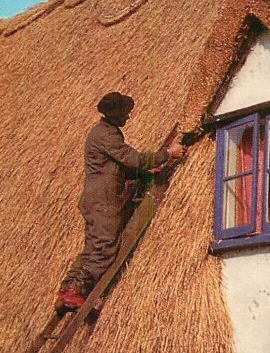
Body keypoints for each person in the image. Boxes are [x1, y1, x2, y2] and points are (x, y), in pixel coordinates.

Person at [55, 91, 186, 312]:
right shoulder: (106, 135)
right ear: (114, 114)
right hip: (103, 199)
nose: (128, 117)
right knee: (106, 246)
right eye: (125, 113)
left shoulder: (103, 133)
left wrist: (142, 172)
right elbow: (132, 159)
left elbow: (116, 169)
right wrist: (167, 153)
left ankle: (67, 290)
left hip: (95, 197)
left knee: (92, 247)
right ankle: (78, 290)